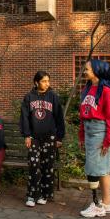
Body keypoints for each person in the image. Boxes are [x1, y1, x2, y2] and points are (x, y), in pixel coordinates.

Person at [20, 70, 65, 207]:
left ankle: (45, 195)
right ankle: (32, 195)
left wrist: (59, 137)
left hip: (49, 137)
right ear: (36, 82)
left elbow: (59, 118)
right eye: (44, 81)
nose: (47, 83)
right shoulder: (29, 97)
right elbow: (24, 118)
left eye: (48, 81)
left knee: (47, 166)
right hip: (34, 137)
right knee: (34, 165)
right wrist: (27, 135)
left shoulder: (53, 97)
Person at [79, 59, 110, 218]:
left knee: (95, 168)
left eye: (87, 69)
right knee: (102, 169)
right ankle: (107, 204)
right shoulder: (88, 88)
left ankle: (97, 205)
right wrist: (81, 134)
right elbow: (83, 114)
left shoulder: (106, 91)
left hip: (99, 132)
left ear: (97, 71)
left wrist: (108, 140)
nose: (84, 72)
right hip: (89, 130)